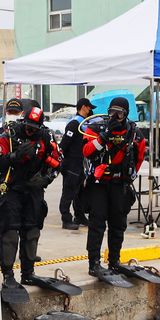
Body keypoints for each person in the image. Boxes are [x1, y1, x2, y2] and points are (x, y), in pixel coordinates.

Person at [0, 106, 61, 294]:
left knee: (32, 231)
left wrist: (46, 179)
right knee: (10, 232)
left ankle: (28, 272)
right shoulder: (10, 134)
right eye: (27, 126)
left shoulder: (46, 137)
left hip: (34, 190)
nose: (29, 131)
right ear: (24, 121)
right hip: (12, 189)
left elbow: (57, 162)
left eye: (33, 128)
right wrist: (15, 156)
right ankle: (7, 275)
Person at [82, 96, 145, 281]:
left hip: (120, 184)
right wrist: (104, 137)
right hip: (99, 184)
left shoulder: (134, 133)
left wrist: (128, 176)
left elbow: (139, 157)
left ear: (126, 115)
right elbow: (86, 151)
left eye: (120, 114)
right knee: (97, 223)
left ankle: (114, 261)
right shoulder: (96, 128)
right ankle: (94, 262)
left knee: (118, 224)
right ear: (108, 111)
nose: (115, 116)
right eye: (112, 112)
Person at [58, 97, 95, 230]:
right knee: (69, 191)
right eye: (89, 108)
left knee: (80, 191)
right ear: (84, 107)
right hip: (72, 164)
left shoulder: (85, 124)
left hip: (81, 164)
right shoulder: (75, 124)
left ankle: (79, 215)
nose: (90, 110)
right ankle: (66, 219)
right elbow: (64, 144)